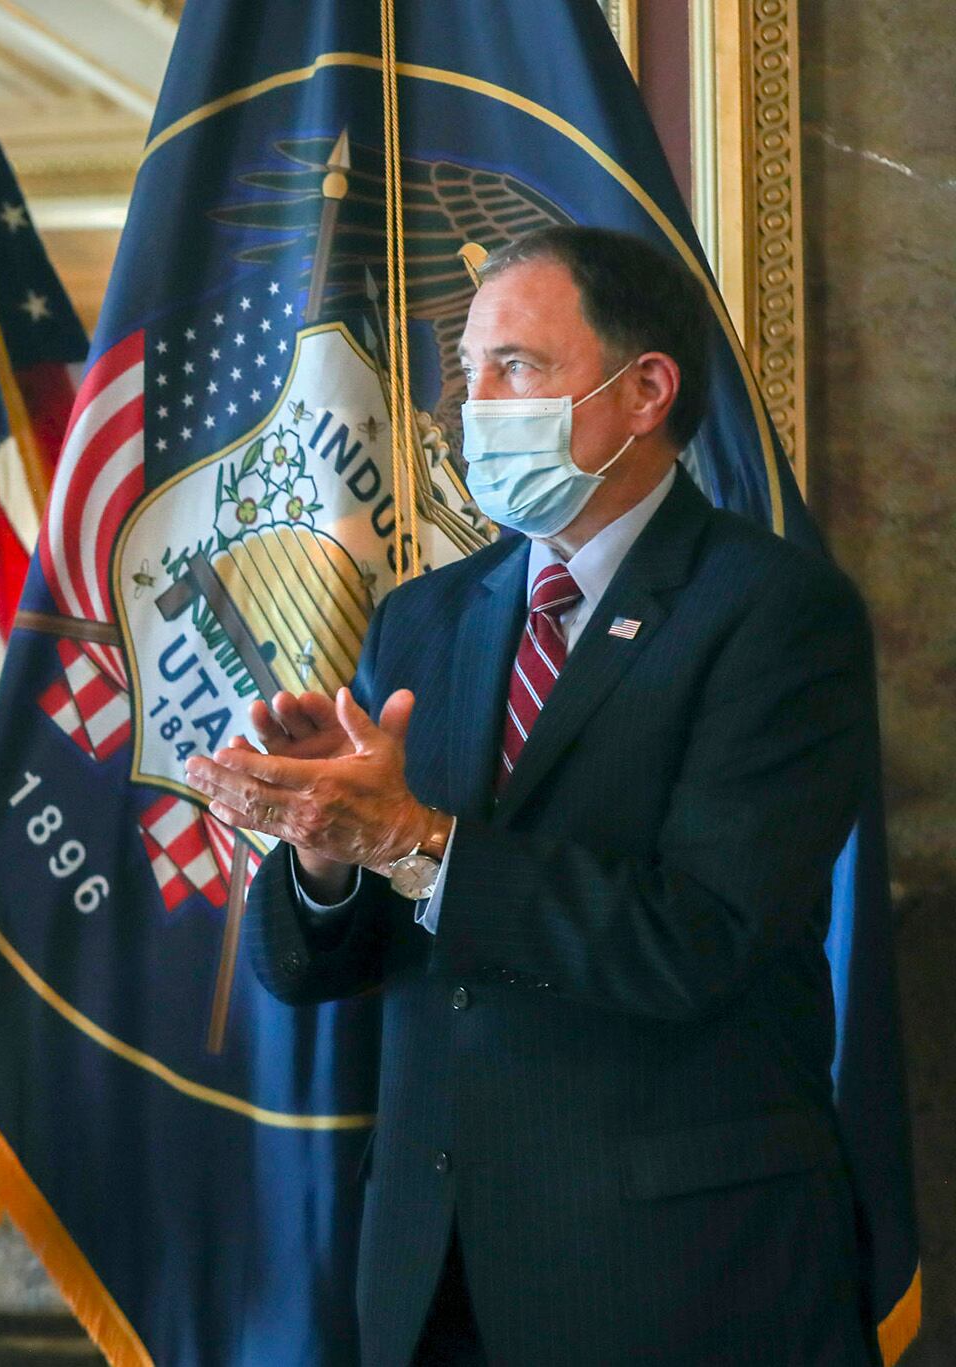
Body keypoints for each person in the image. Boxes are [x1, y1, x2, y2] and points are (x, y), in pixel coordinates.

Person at [186, 226, 879, 1366]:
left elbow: (694, 937)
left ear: (644, 387)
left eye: (515, 366)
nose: (473, 403)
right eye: (466, 371)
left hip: (679, 1272)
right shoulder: (426, 616)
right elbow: (312, 969)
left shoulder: (772, 612)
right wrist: (322, 840)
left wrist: (411, 840)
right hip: (431, 1269)